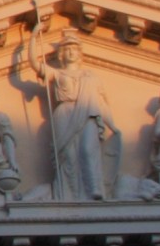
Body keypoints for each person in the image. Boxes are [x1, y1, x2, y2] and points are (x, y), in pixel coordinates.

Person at [25, 26, 117, 201]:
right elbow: (34, 64)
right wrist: (34, 37)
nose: (71, 52)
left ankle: (93, 189)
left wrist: (111, 126)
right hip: (64, 114)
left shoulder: (91, 77)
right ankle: (69, 193)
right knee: (67, 156)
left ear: (79, 53)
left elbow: (102, 104)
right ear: (61, 54)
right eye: (67, 49)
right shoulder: (57, 74)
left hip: (88, 113)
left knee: (88, 150)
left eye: (74, 49)